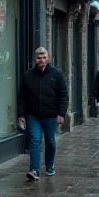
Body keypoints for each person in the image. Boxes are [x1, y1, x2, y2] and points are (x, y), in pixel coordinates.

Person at [17, 47, 68, 180]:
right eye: (39, 58)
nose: (42, 60)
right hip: (33, 115)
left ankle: (49, 165)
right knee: (35, 140)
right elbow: (21, 97)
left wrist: (61, 113)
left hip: (51, 115)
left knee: (50, 141)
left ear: (48, 58)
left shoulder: (56, 74)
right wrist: (22, 115)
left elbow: (63, 95)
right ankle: (34, 170)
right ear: (35, 60)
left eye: (44, 57)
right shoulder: (28, 76)